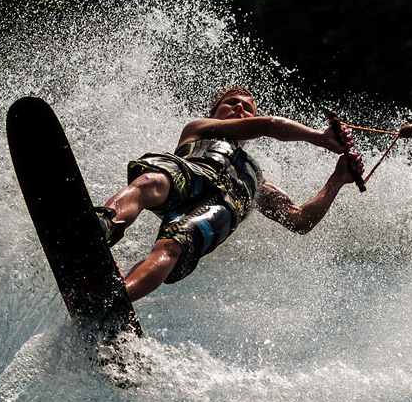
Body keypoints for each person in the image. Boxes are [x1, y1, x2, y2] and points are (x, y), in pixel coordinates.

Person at [96, 86, 365, 302]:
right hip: (190, 175)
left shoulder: (257, 180)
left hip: (221, 207)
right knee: (150, 182)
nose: (239, 108)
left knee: (171, 247)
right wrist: (319, 137)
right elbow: (270, 125)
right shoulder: (198, 129)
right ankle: (103, 225)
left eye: (248, 108)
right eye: (231, 103)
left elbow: (300, 220)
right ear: (214, 112)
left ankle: (117, 298)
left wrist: (337, 179)